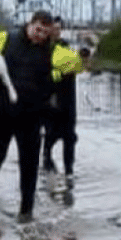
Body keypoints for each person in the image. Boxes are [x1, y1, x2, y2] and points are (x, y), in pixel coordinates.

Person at [0, 10, 57, 220]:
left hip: (31, 116)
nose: (40, 35)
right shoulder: (5, 39)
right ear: (30, 24)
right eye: (38, 30)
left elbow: (54, 79)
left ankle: (26, 210)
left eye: (45, 33)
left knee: (30, 163)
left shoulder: (51, 51)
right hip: (1, 111)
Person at [42, 18, 85, 175]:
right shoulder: (44, 49)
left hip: (68, 100)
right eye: (54, 29)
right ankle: (46, 162)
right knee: (49, 135)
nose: (56, 31)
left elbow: (77, 64)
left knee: (70, 137)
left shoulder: (66, 47)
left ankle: (69, 170)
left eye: (59, 29)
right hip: (50, 101)